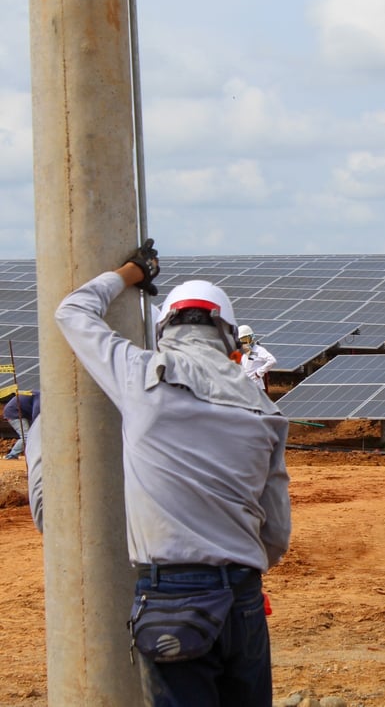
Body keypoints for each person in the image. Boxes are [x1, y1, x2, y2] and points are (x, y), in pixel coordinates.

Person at [55, 239, 291, 707]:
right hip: (243, 597)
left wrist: (132, 273)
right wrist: (237, 566)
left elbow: (73, 311)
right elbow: (276, 533)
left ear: (163, 327)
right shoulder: (265, 411)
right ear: (228, 336)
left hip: (171, 597)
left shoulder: (139, 377)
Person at [3, 389, 41, 459]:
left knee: (33, 434)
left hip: (23, 413)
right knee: (26, 436)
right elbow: (36, 416)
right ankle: (12, 455)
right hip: (14, 412)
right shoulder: (40, 396)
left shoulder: (40, 395)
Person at [238, 325, 277, 393]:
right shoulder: (245, 353)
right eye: (242, 340)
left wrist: (259, 372)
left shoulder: (258, 350)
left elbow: (272, 360)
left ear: (251, 338)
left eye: (245, 339)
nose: (244, 342)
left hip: (257, 388)